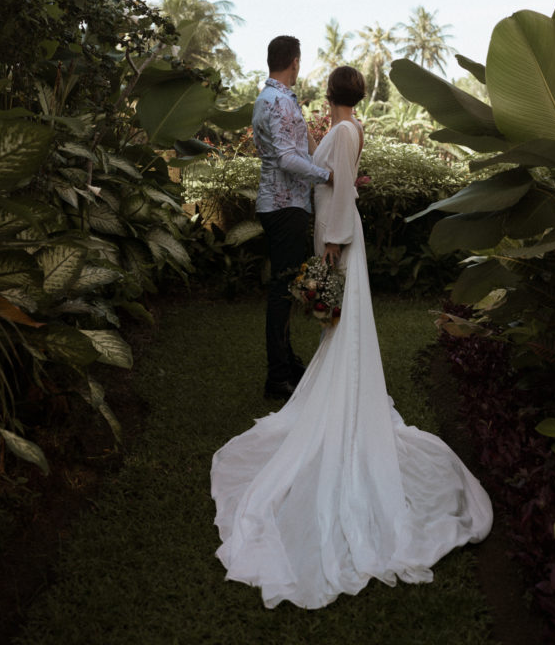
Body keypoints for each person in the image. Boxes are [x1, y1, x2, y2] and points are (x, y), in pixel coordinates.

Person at [211, 65, 493, 609]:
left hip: (337, 238)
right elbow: (345, 179)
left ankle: (338, 398)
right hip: (341, 234)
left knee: (335, 320)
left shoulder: (342, 132)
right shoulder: (350, 129)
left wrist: (334, 243)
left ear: (329, 95)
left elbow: (338, 192)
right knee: (338, 326)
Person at [252, 35, 332, 399]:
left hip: (280, 203)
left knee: (284, 291)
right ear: (295, 62)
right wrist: (328, 176)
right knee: (282, 293)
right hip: (285, 207)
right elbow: (286, 159)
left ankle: (288, 362)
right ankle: (277, 377)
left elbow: (293, 149)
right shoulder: (280, 102)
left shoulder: (268, 98)